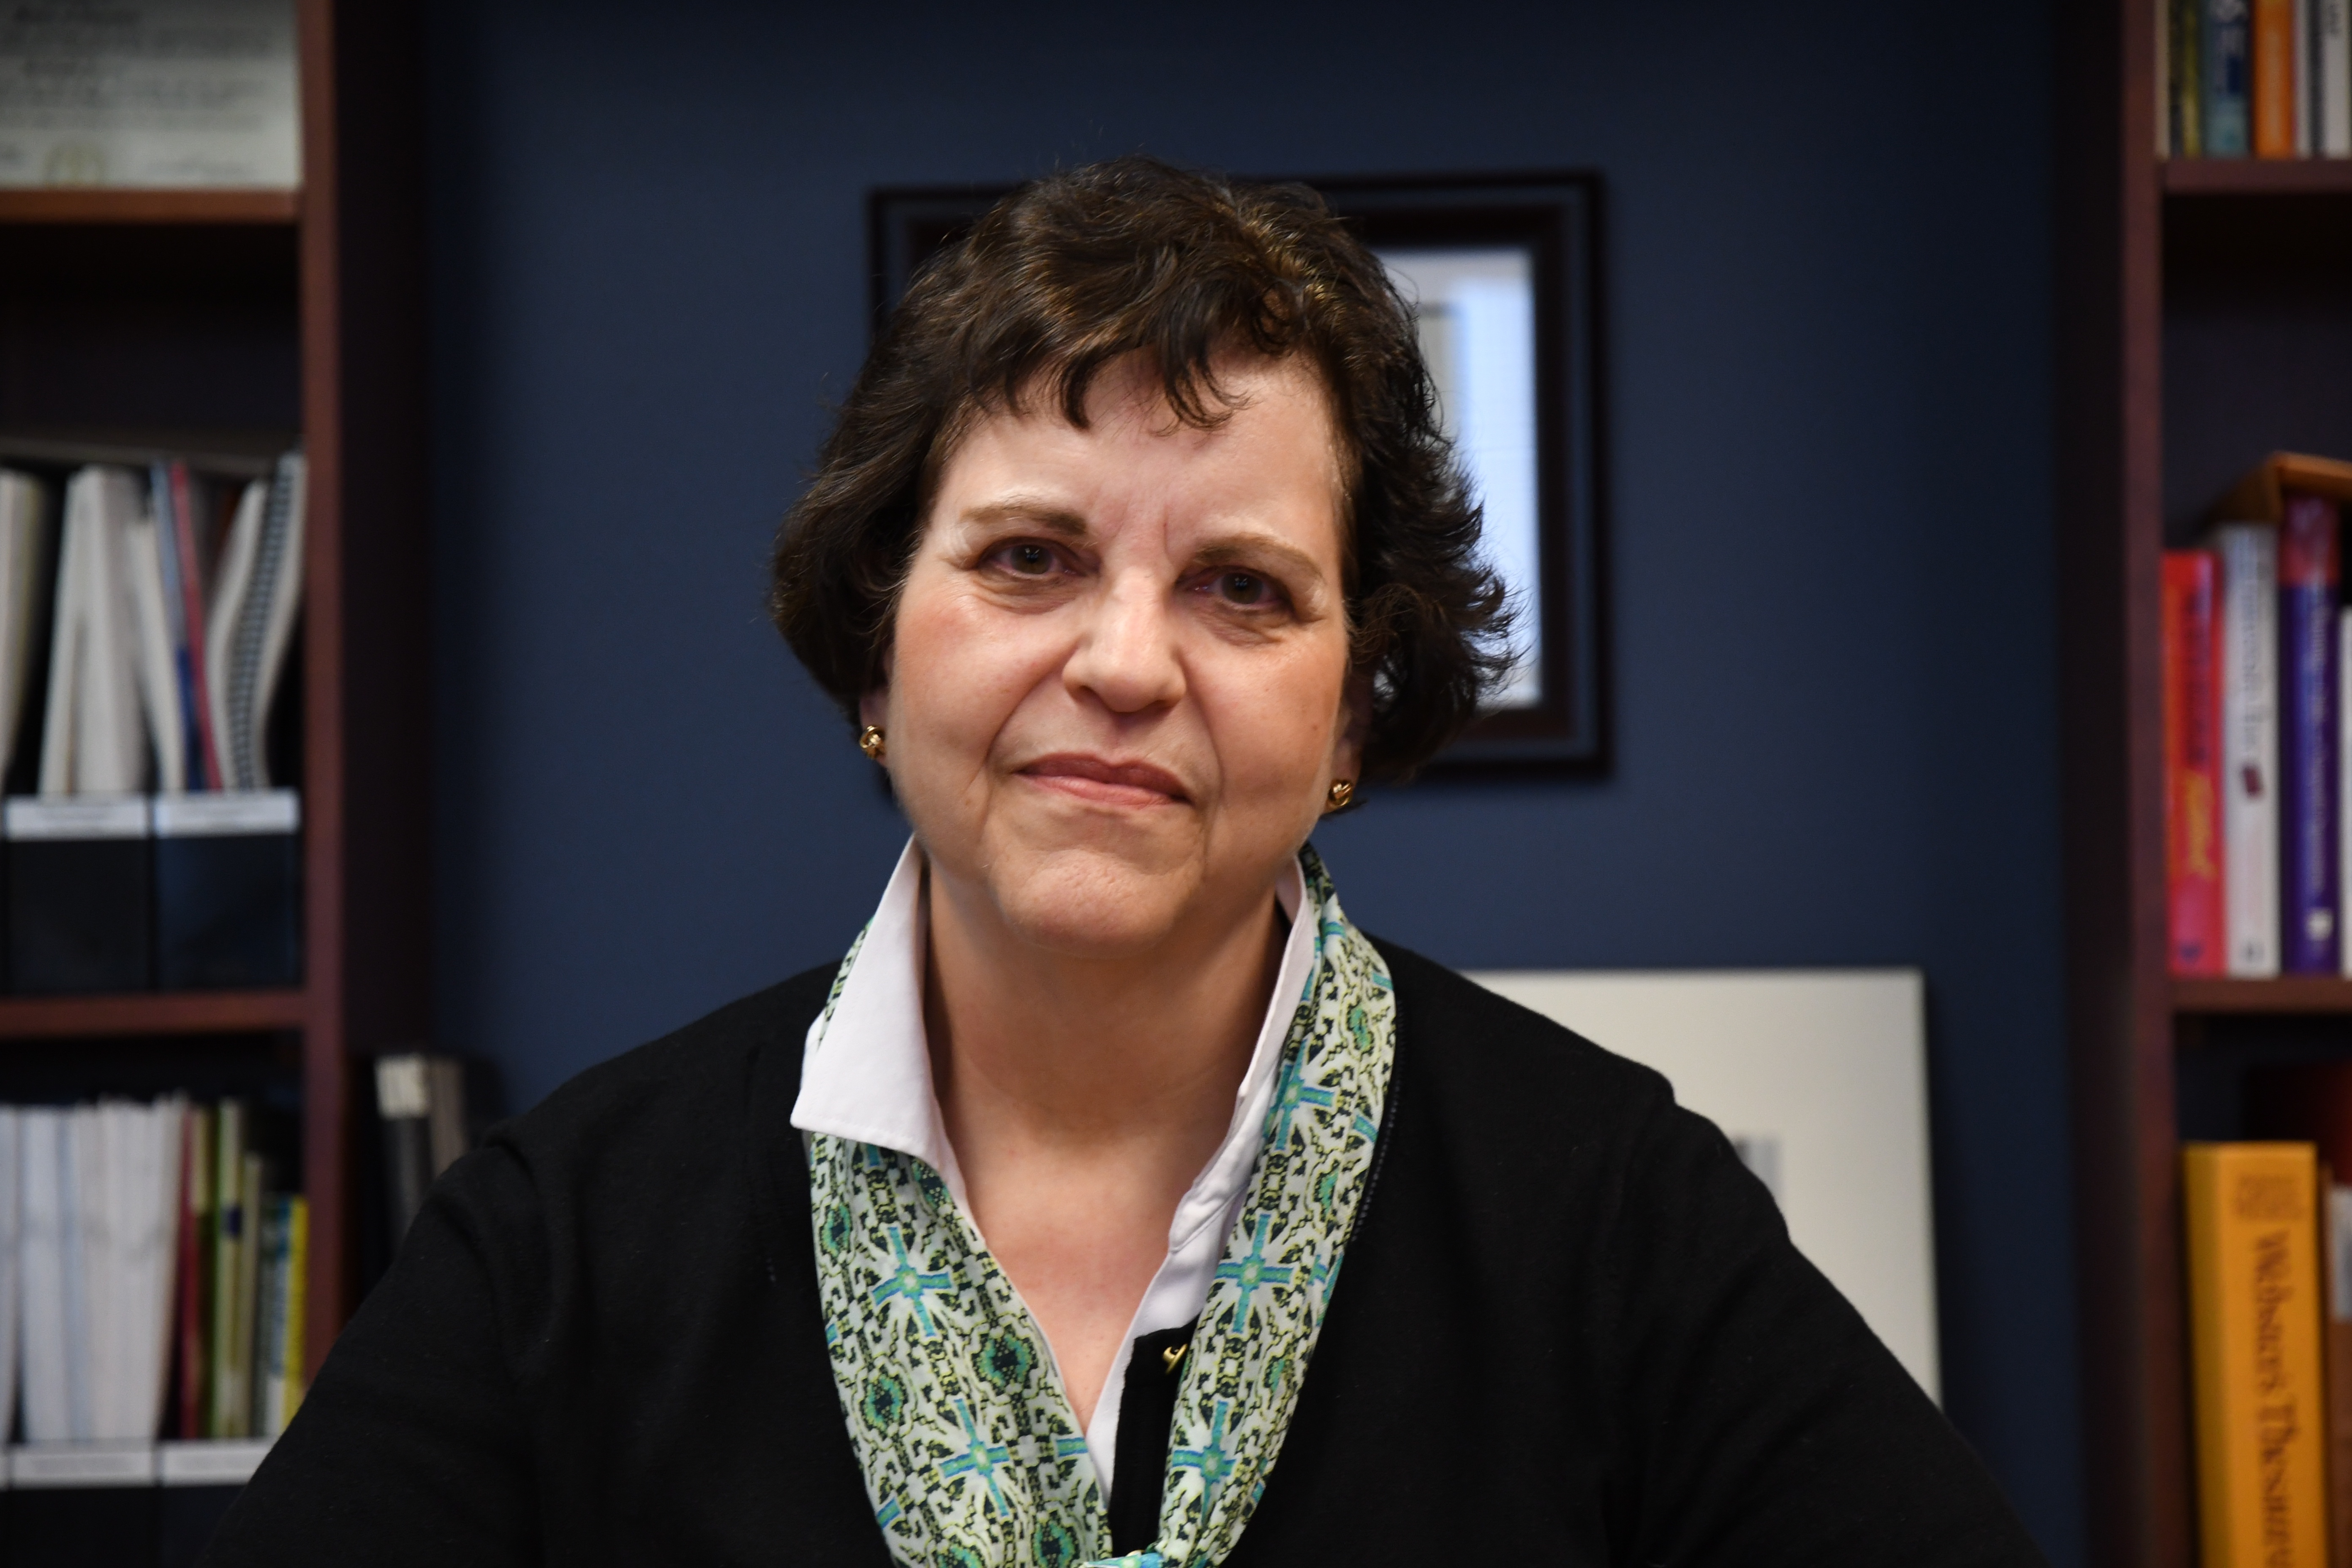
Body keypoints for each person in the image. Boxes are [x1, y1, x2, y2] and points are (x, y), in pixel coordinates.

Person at [204, 157, 2046, 1568]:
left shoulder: (1619, 1220)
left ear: (1348, 718)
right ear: (876, 642)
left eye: (1243, 588)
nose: (1126, 661)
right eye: (1029, 560)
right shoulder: (563, 1243)